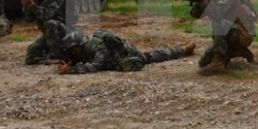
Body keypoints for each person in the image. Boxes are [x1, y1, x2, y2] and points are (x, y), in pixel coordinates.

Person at [187, 0, 258, 76]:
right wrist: (198, 1)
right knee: (203, 62)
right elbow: (195, 15)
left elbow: (218, 14)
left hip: (243, 35)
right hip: (235, 33)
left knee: (219, 22)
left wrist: (204, 0)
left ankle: (218, 64)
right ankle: (234, 51)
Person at [56, 29, 195, 74]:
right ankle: (182, 49)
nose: (72, 52)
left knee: (154, 56)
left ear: (80, 45)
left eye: (73, 49)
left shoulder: (96, 46)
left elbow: (95, 66)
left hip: (128, 56)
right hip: (117, 56)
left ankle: (182, 50)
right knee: (154, 55)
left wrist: (70, 70)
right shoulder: (83, 49)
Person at [23, 0, 76, 65]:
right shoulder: (37, 0)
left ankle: (56, 55)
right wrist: (27, 6)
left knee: (50, 23)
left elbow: (47, 15)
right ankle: (47, 55)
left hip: (66, 31)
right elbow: (28, 19)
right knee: (31, 54)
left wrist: (33, 5)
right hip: (49, 34)